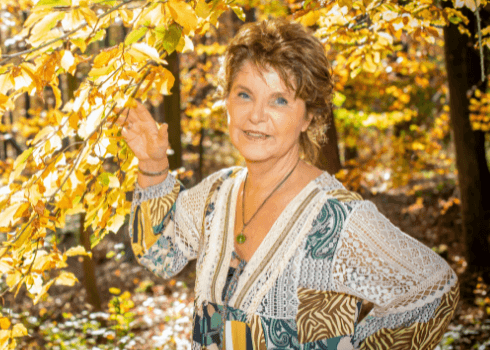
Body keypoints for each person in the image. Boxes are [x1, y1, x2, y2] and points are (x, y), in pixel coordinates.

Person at [119, 18, 458, 350]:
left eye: (279, 100)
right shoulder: (215, 195)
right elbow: (159, 255)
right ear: (227, 104)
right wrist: (152, 164)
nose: (256, 115)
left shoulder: (335, 218)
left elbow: (433, 288)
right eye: (244, 94)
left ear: (308, 116)